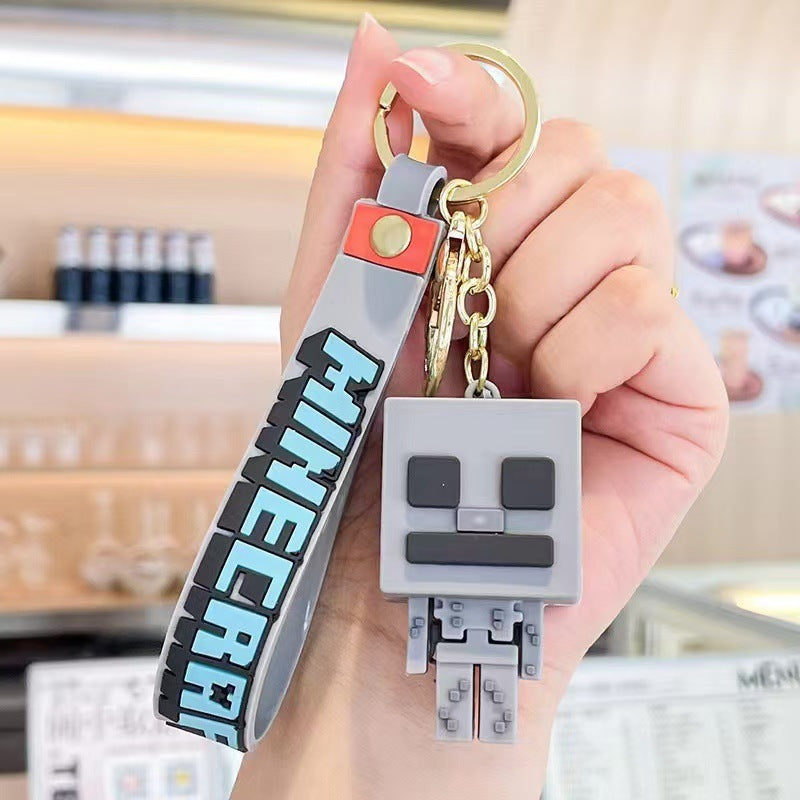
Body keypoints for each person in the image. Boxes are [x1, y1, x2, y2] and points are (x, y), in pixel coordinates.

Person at [233, 15, 729, 799]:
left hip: (473, 595)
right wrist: (359, 643)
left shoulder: (482, 516)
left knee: (486, 680)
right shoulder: (437, 509)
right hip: (437, 585)